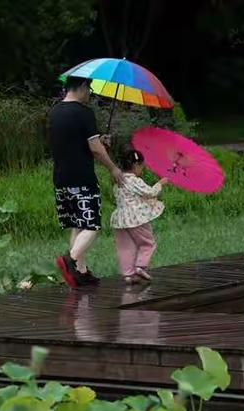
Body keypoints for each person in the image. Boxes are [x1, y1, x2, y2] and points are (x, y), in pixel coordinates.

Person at [48, 76, 124, 288]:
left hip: (61, 178)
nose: (90, 93)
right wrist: (113, 168)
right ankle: (70, 260)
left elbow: (76, 142)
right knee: (92, 225)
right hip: (82, 177)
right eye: (89, 88)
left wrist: (100, 141)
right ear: (81, 87)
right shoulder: (84, 113)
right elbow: (95, 149)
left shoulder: (54, 112)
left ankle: (80, 272)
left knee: (78, 224)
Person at [110, 148, 167, 285]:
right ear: (136, 165)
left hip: (120, 219)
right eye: (142, 166)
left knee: (125, 247)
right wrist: (161, 183)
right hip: (136, 218)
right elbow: (151, 192)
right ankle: (141, 266)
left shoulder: (118, 181)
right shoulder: (135, 180)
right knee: (147, 243)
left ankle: (128, 275)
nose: (142, 169)